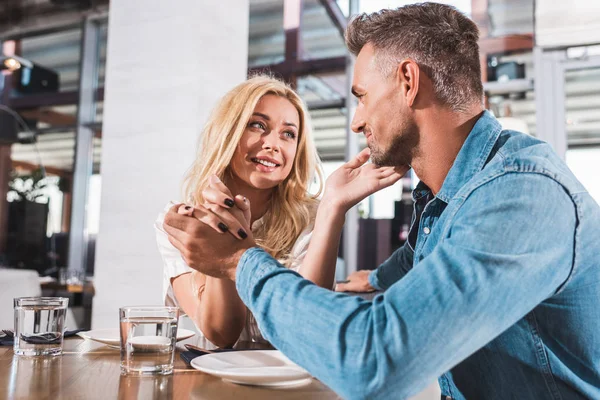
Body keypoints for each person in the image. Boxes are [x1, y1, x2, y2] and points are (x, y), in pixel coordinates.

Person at [163, 4, 600, 400]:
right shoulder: (449, 199)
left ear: (408, 82)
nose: (356, 122)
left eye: (361, 97)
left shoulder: (520, 194)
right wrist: (374, 279)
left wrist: (240, 262)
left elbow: (374, 362)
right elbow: (418, 262)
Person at [155, 75, 402, 348]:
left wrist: (333, 207)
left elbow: (307, 324)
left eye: (288, 134)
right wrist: (220, 224)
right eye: (258, 125)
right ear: (227, 132)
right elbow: (222, 334)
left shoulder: (312, 216)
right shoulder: (181, 222)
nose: (273, 144)